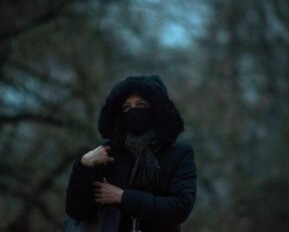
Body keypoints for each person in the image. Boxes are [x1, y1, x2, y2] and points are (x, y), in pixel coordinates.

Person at [65, 75, 197, 232]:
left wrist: (122, 196)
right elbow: (78, 212)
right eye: (126, 107)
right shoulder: (107, 152)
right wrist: (83, 165)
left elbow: (179, 208)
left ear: (157, 109)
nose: (133, 111)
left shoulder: (178, 152)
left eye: (141, 105)